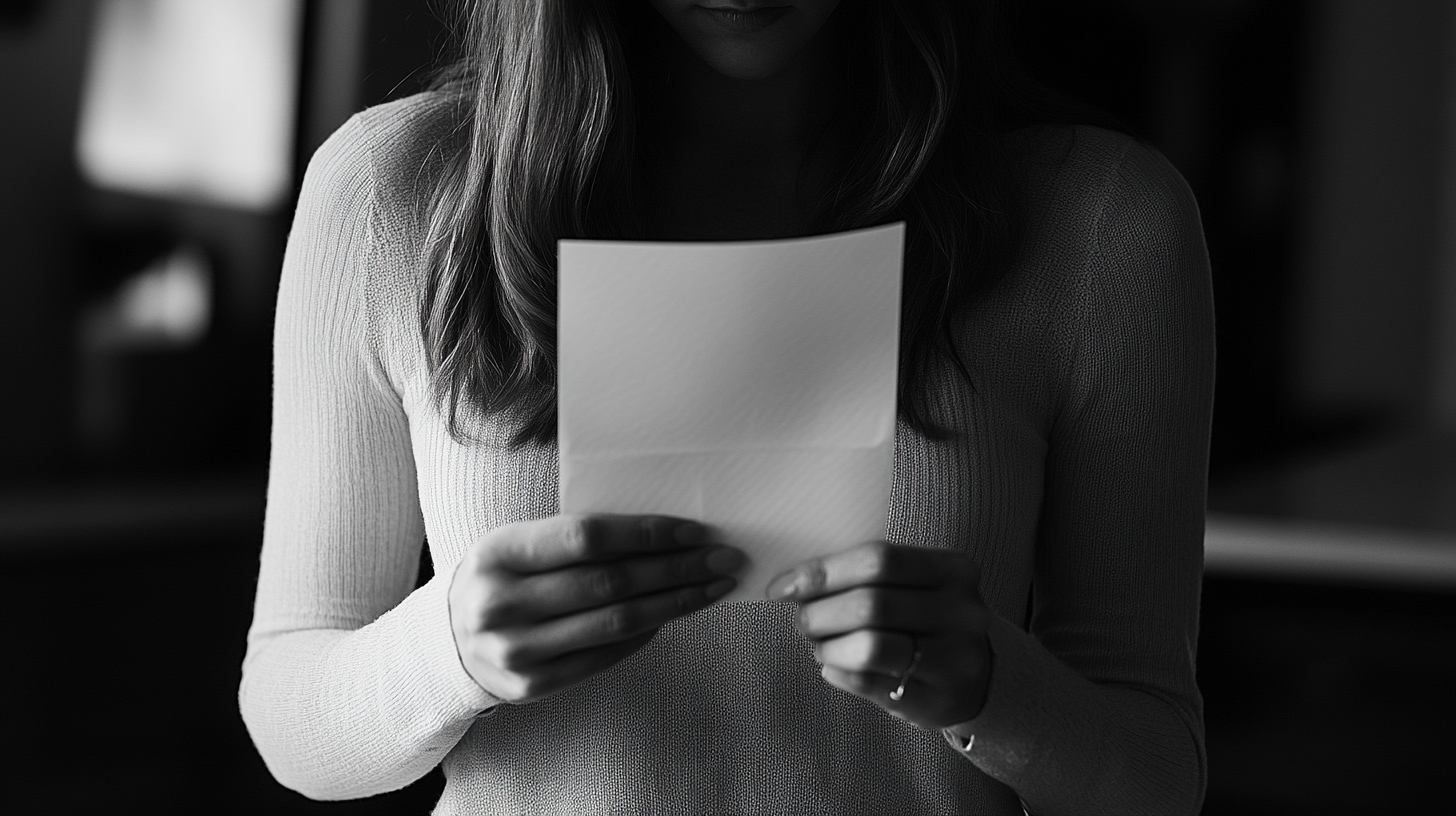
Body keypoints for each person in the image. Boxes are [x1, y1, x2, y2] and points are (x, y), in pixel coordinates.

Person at [239, 1, 1214, 814]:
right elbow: (291, 716)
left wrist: (994, 688)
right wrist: (446, 650)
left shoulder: (1097, 225)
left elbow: (1158, 769)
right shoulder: (390, 193)